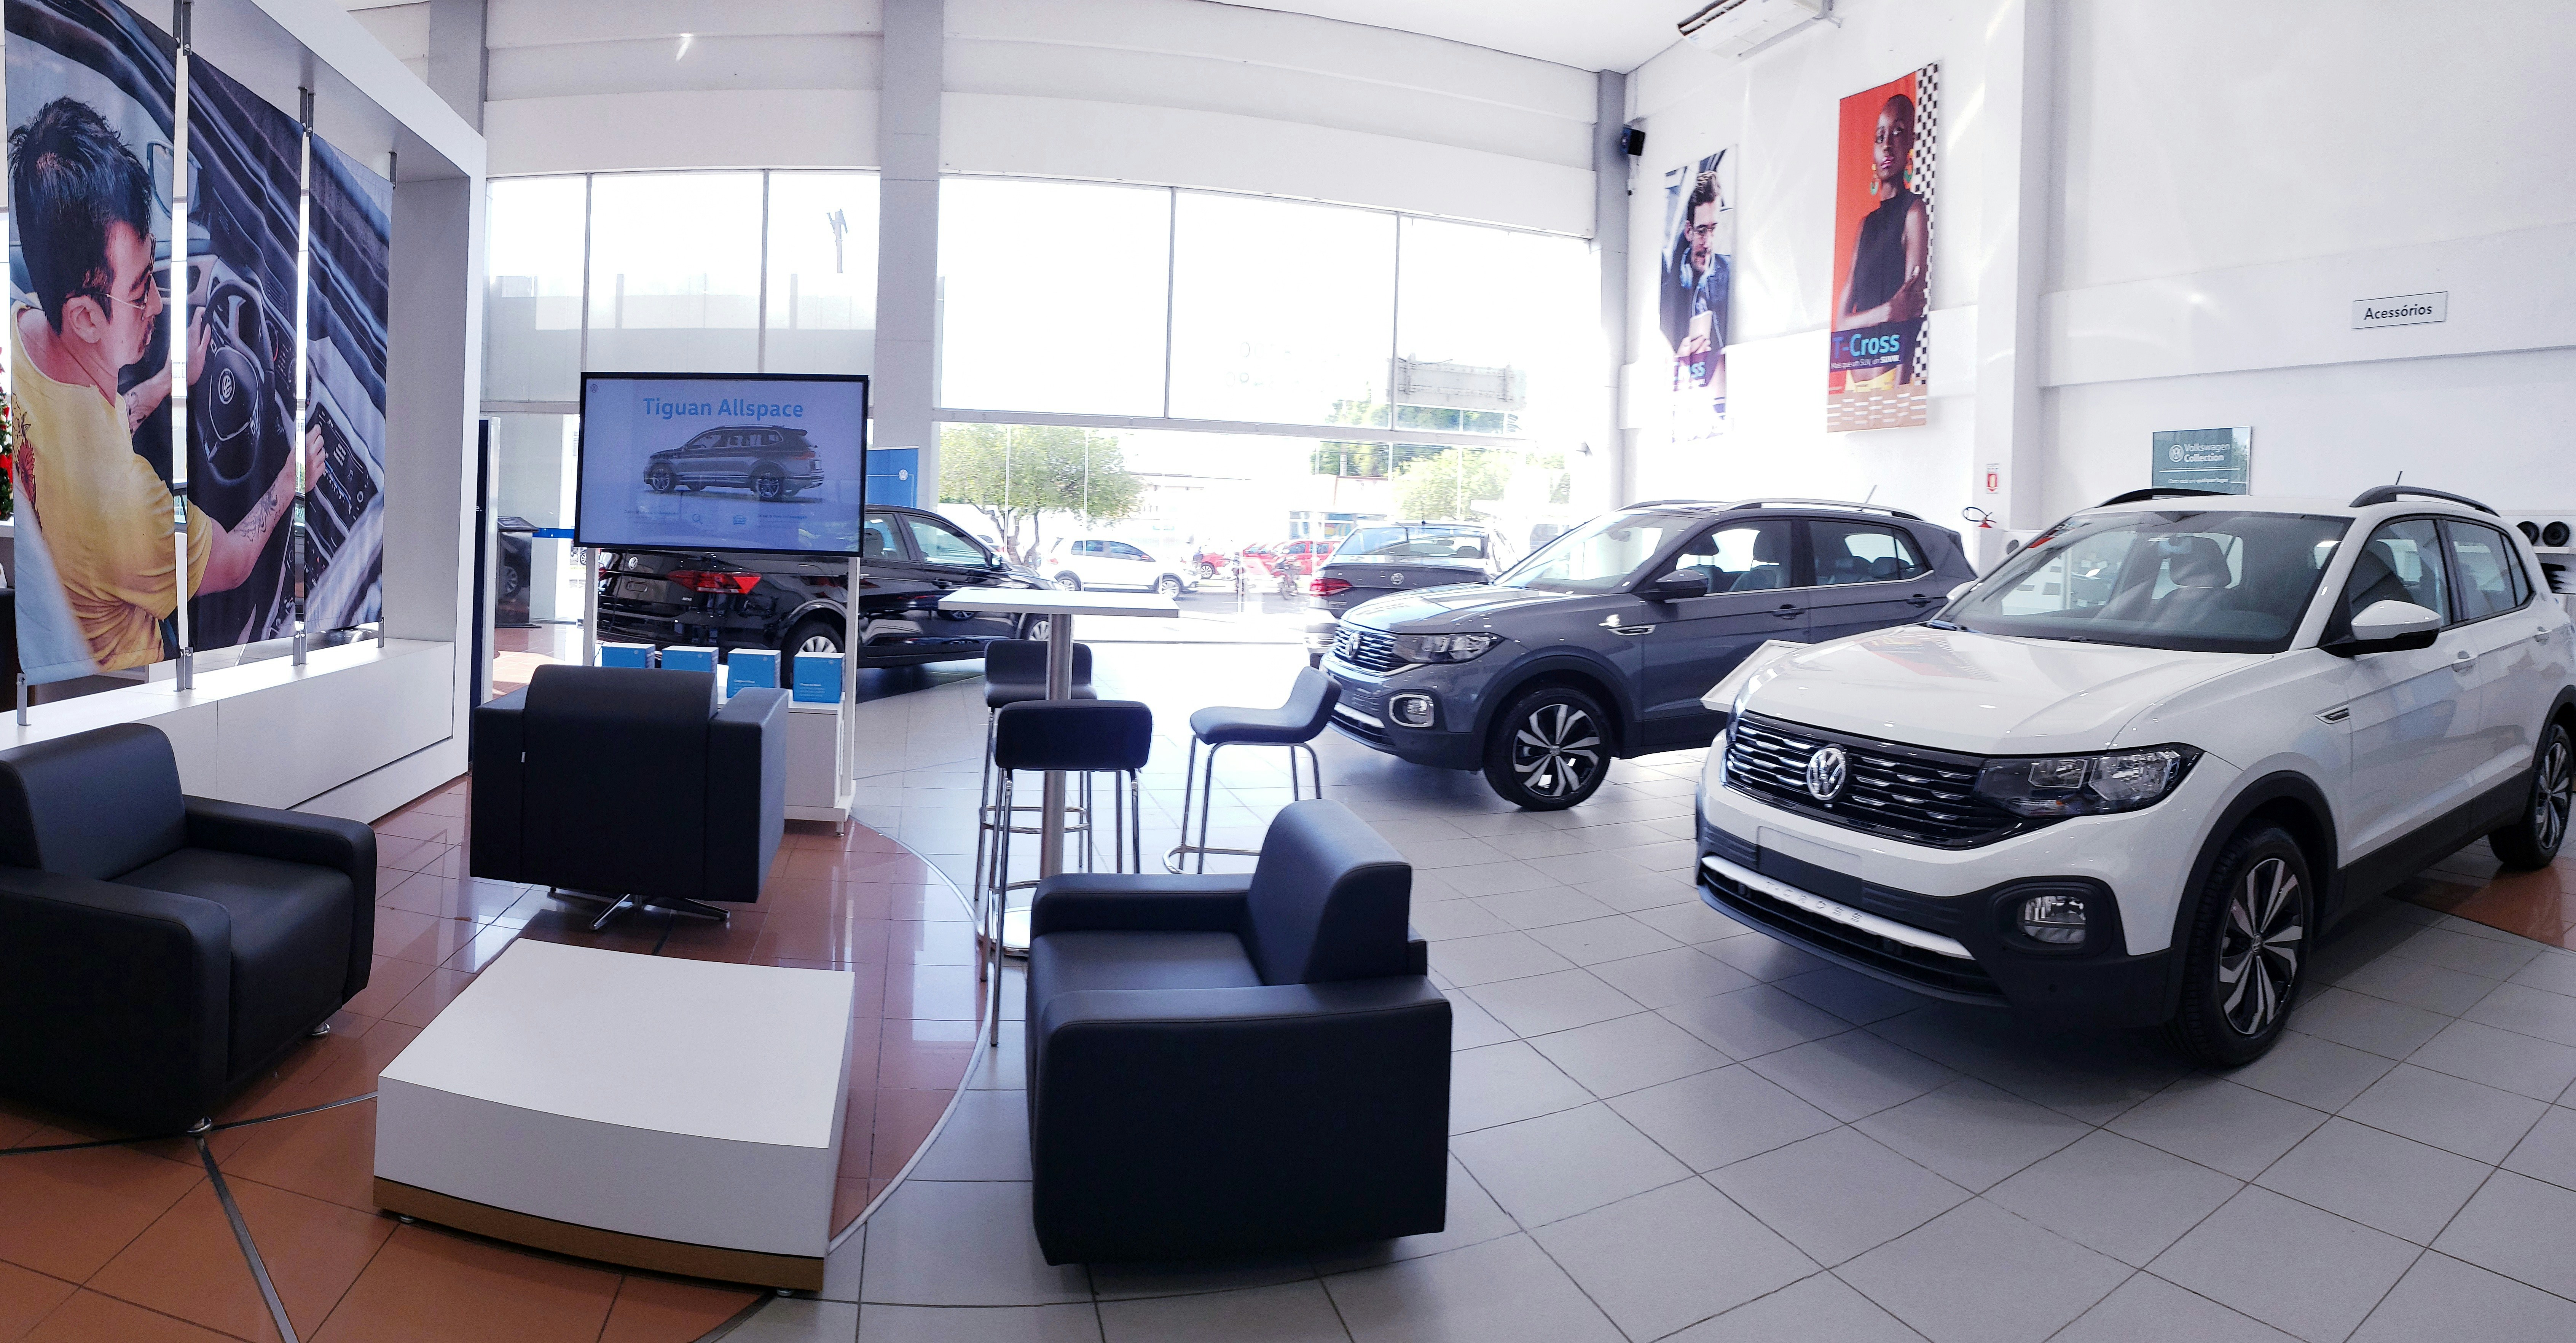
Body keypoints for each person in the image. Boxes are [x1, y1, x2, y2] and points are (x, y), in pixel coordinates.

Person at [8, 96, 297, 672]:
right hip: (134, 683)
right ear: (86, 318)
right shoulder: (122, 500)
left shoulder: (19, 334)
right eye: (142, 288)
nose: (160, 306)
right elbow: (237, 560)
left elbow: (97, 425)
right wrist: (294, 478)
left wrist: (170, 383)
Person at [1833, 91, 1930, 383]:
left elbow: (1910, 319)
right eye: (1880, 137)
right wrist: (1888, 311)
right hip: (1852, 385)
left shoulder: (1914, 213)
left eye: (1898, 132)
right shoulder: (1865, 226)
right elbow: (1840, 322)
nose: (1887, 145)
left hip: (1890, 382)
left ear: (1911, 141)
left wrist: (1900, 395)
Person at [1661, 167, 1730, 396]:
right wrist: (1677, 360)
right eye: (1702, 232)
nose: (1708, 242)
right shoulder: (1665, 296)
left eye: (1713, 230)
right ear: (1688, 231)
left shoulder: (1730, 275)